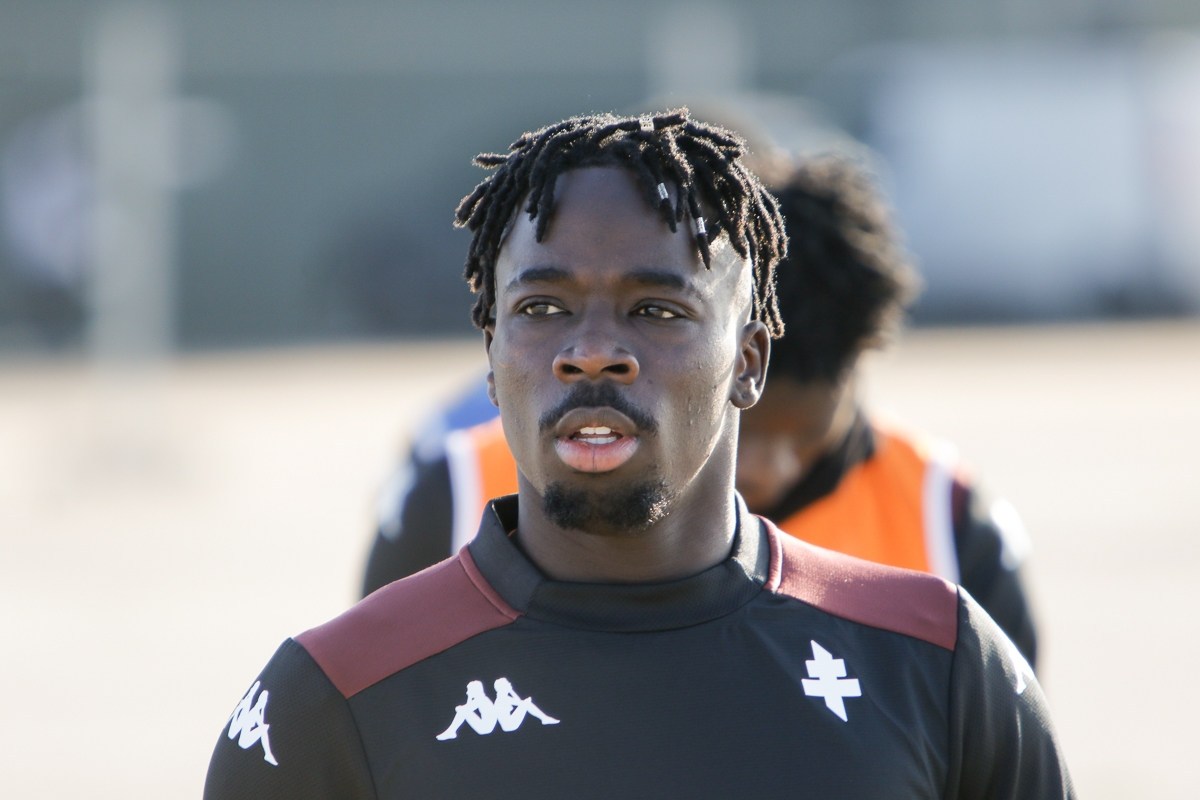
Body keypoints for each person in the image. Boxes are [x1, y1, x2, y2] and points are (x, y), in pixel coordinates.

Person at [205, 110, 1072, 798]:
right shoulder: (332, 698)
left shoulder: (939, 662)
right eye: (542, 308)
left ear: (749, 360)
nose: (591, 352)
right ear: (492, 353)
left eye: (657, 310)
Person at [362, 154, 1040, 666]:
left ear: (751, 361)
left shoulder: (943, 519)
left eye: (806, 437)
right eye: (747, 436)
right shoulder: (459, 490)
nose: (768, 469)